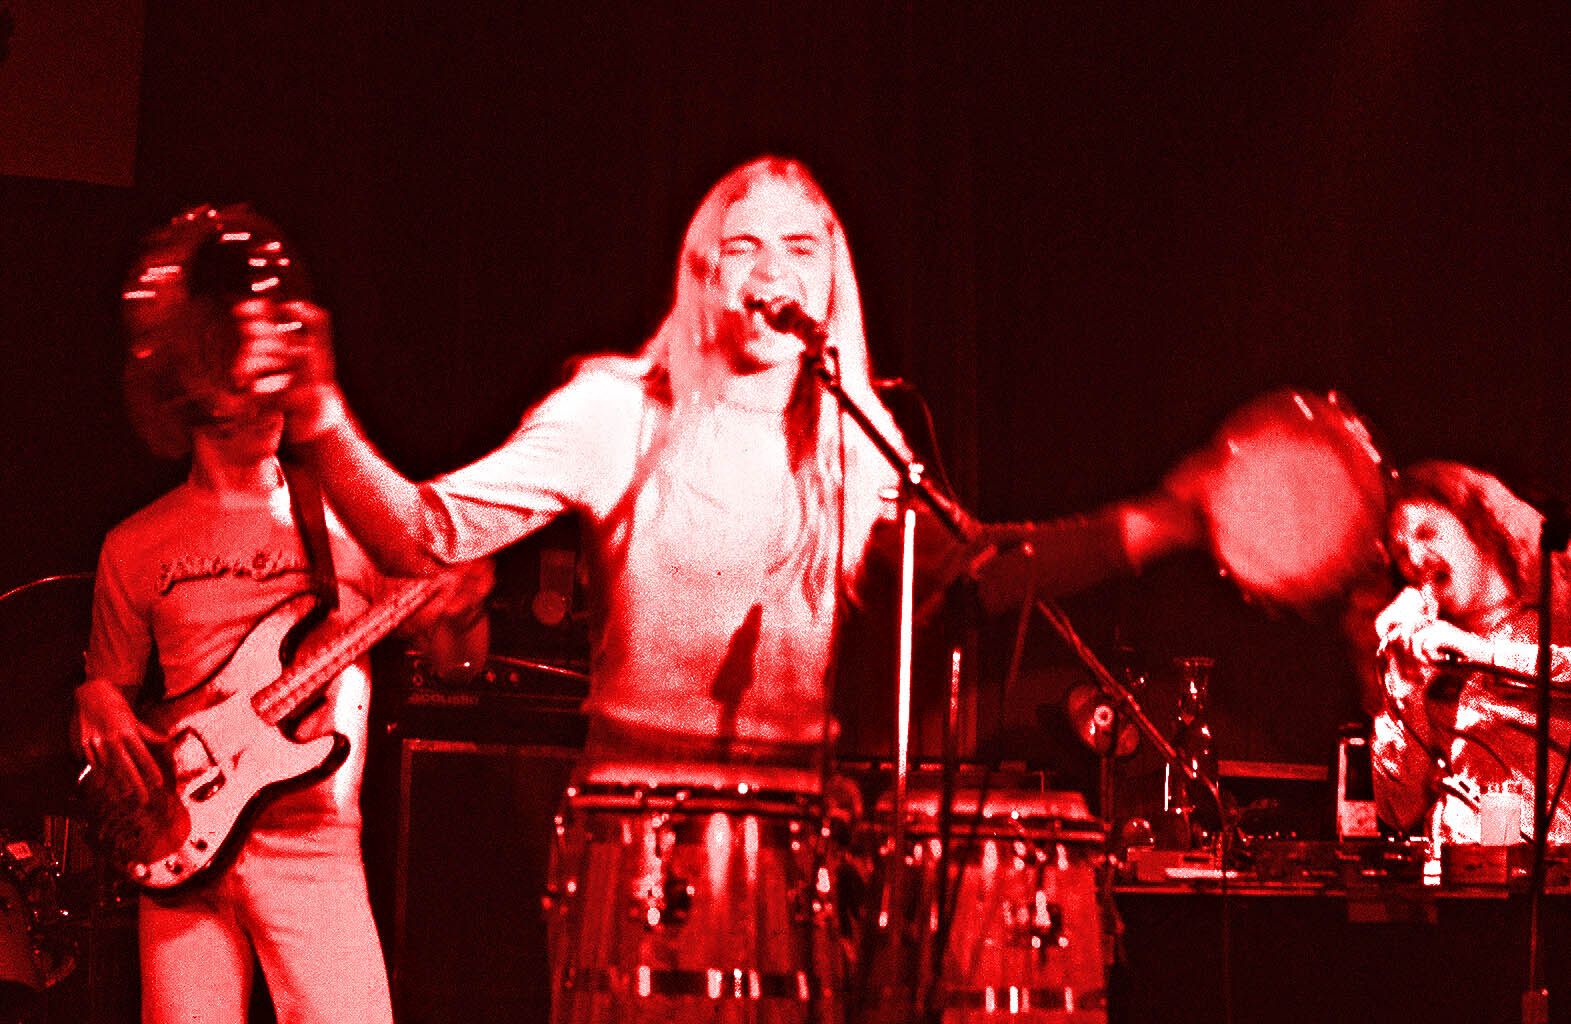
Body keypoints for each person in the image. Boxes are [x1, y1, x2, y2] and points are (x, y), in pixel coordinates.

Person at [234, 156, 1207, 1018]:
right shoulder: (616, 411)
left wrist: (1162, 518)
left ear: (832, 282)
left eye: (798, 246)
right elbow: (426, 536)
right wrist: (320, 416)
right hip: (639, 834)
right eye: (740, 247)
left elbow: (964, 571)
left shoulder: (851, 439)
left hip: (803, 848)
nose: (771, 270)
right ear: (702, 277)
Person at [73, 204, 491, 1024]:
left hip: (314, 842)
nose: (262, 374)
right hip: (179, 839)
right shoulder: (134, 544)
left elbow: (455, 659)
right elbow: (110, 690)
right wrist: (95, 700)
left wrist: (466, 609)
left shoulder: (348, 516)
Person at [1371, 460, 1571, 845]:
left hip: (1548, 888)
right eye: (1399, 551)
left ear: (1480, 528)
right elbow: (1398, 811)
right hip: (1456, 887)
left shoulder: (1556, 618)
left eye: (1426, 532)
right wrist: (1402, 685)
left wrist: (1482, 653)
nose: (1414, 558)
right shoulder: (1423, 657)